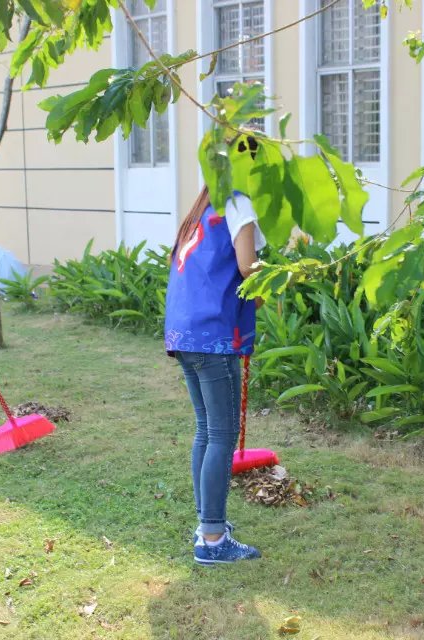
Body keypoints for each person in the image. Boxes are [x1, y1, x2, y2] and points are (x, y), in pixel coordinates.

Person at [164, 157, 266, 565]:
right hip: (212, 336)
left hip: (185, 333)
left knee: (206, 430)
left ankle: (208, 522)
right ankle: (212, 538)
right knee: (221, 434)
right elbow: (247, 267)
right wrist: (274, 282)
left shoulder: (202, 207)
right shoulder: (238, 202)